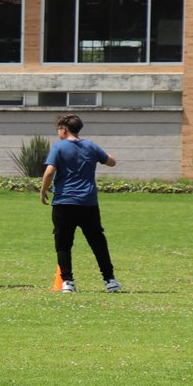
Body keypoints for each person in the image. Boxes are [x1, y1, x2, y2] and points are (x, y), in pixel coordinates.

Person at [39, 114, 122, 293]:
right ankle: (110, 280)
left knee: (63, 243)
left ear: (64, 129)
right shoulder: (91, 146)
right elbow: (112, 162)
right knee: (97, 242)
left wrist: (43, 191)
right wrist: (97, 154)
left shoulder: (59, 147)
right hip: (88, 203)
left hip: (64, 202)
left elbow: (49, 172)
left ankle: (68, 282)